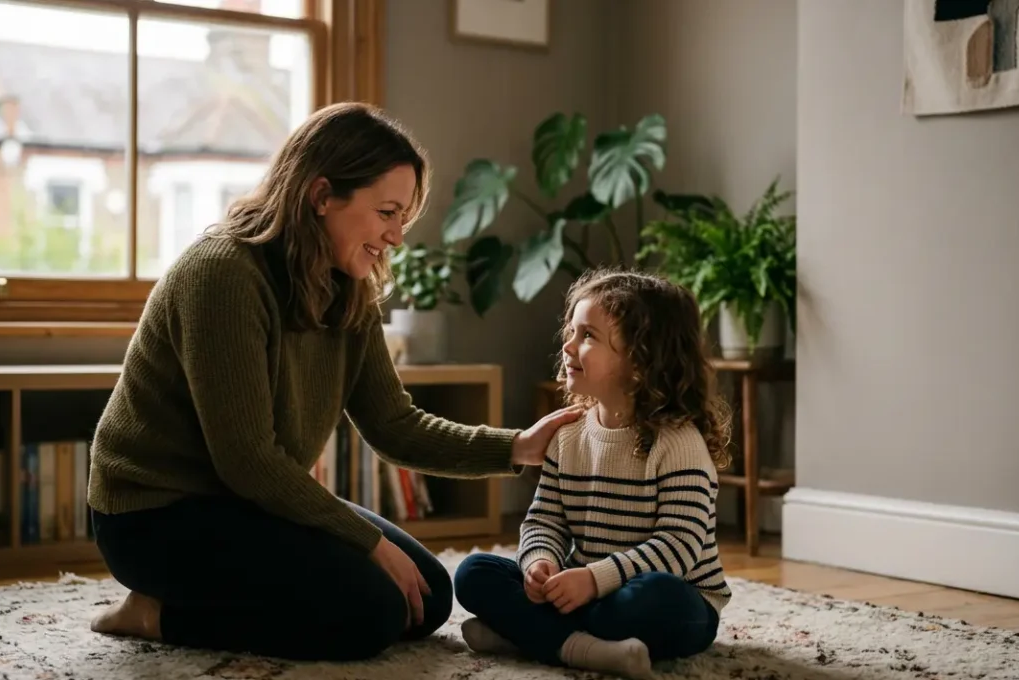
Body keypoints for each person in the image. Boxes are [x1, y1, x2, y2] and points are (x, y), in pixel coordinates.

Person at [84, 101, 583, 662]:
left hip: (246, 504)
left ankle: (208, 601)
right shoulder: (223, 273)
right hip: (155, 516)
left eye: (404, 219)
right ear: (322, 196)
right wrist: (366, 540)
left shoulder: (348, 287)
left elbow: (392, 424)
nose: (396, 237)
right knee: (370, 614)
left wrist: (516, 446)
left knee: (428, 597)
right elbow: (246, 459)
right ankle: (155, 612)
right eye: (387, 212)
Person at [453, 269, 735, 680]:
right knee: (473, 573)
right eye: (571, 331)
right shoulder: (567, 436)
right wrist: (541, 561)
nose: (567, 345)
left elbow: (679, 547)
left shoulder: (678, 443)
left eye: (588, 336)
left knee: (657, 599)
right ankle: (584, 648)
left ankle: (530, 635)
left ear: (640, 362)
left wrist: (594, 578)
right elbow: (544, 519)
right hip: (583, 594)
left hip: (671, 601)